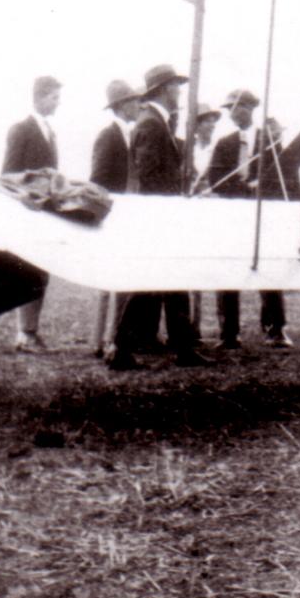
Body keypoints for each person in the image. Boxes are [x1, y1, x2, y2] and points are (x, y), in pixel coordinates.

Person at [109, 63, 209, 370]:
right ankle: (121, 349)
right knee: (147, 285)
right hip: (157, 218)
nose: (179, 92)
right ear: (165, 90)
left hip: (161, 216)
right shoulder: (152, 124)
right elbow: (147, 173)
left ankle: (182, 348)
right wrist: (173, 200)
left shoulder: (156, 122)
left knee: (170, 283)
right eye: (176, 87)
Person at [206, 88, 289, 348]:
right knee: (229, 270)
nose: (232, 113)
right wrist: (246, 189)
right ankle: (229, 332)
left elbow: (281, 176)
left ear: (250, 109)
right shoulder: (225, 144)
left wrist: (263, 191)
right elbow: (215, 181)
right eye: (229, 109)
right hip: (233, 216)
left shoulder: (270, 141)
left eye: (237, 108)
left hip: (263, 215)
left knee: (269, 269)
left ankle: (275, 329)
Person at [5, 75, 63, 352]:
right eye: (53, 97)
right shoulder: (21, 130)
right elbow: (8, 173)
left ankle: (31, 331)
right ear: (39, 98)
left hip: (45, 211)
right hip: (27, 211)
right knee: (27, 272)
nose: (57, 103)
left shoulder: (50, 132)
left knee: (40, 272)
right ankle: (24, 333)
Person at [90, 79, 139, 359]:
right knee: (109, 282)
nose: (138, 105)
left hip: (128, 215)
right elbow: (98, 179)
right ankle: (102, 341)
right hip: (114, 215)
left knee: (121, 279)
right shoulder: (108, 136)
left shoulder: (130, 135)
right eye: (133, 101)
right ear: (122, 106)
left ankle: (112, 338)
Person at [188, 102, 221, 192]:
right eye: (207, 121)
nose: (212, 125)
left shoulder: (217, 149)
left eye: (213, 121)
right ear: (197, 125)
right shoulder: (187, 150)